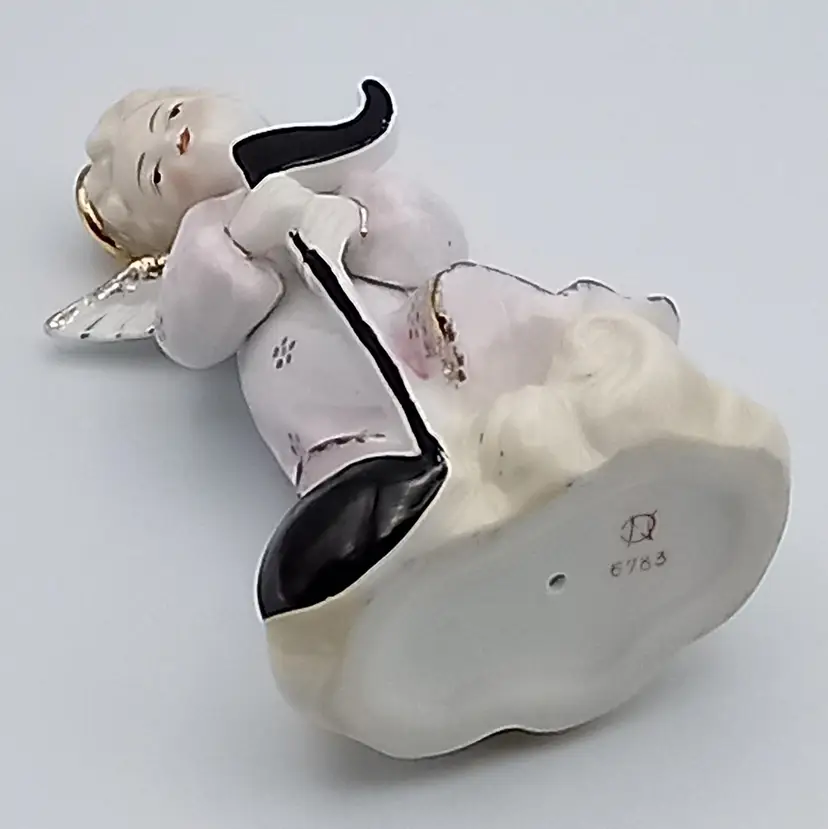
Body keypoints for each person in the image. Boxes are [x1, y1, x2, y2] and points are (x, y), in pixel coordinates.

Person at [62, 78, 790, 757]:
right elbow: (191, 336)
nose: (179, 143)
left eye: (173, 116)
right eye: (154, 173)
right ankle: (397, 544)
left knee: (471, 304)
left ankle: (601, 368)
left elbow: (435, 245)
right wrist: (242, 245)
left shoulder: (344, 180)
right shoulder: (207, 242)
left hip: (426, 332)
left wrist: (364, 220)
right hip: (326, 396)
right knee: (348, 454)